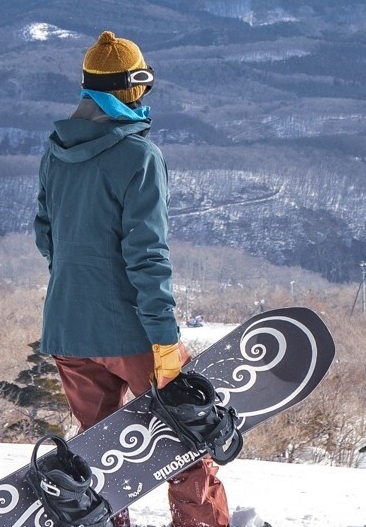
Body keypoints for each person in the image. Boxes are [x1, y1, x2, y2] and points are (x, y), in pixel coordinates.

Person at [34, 31, 227, 527]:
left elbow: (46, 237)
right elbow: (148, 256)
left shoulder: (55, 151)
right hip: (132, 332)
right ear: (128, 90)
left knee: (98, 452)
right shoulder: (139, 156)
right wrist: (164, 339)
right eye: (142, 86)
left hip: (67, 327)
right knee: (181, 439)